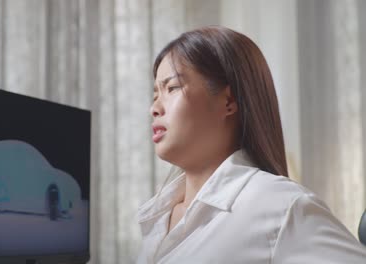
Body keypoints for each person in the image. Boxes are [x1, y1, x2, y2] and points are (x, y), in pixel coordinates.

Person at [137, 26, 366, 263]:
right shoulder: (157, 217)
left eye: (172, 88)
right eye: (155, 95)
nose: (154, 108)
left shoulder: (280, 206)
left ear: (228, 101)